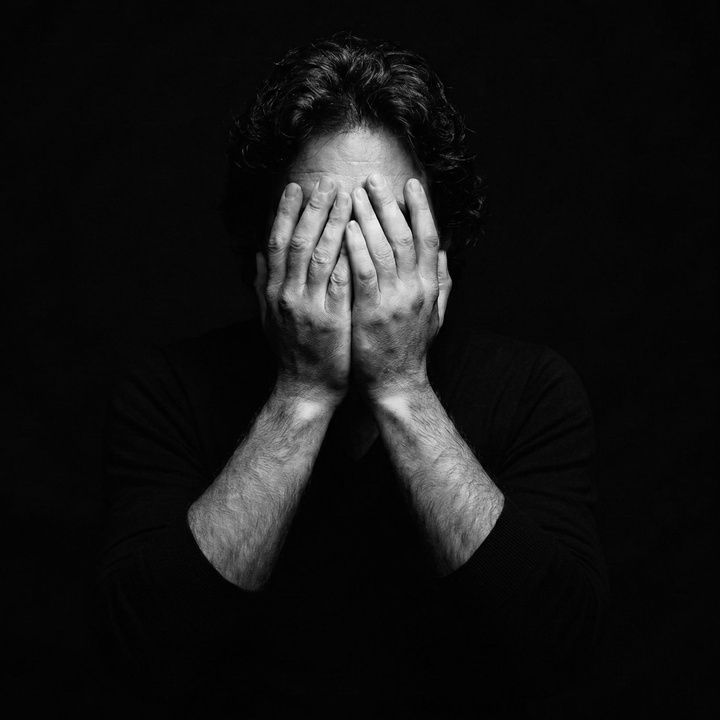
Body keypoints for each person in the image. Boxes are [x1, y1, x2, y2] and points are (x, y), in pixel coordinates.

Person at [90, 33, 608, 719]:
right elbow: (144, 656)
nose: (357, 259)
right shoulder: (169, 391)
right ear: (264, 250)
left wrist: (403, 388)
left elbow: (557, 651)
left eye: (385, 224)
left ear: (439, 247)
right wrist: (302, 395)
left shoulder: (532, 388)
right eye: (321, 223)